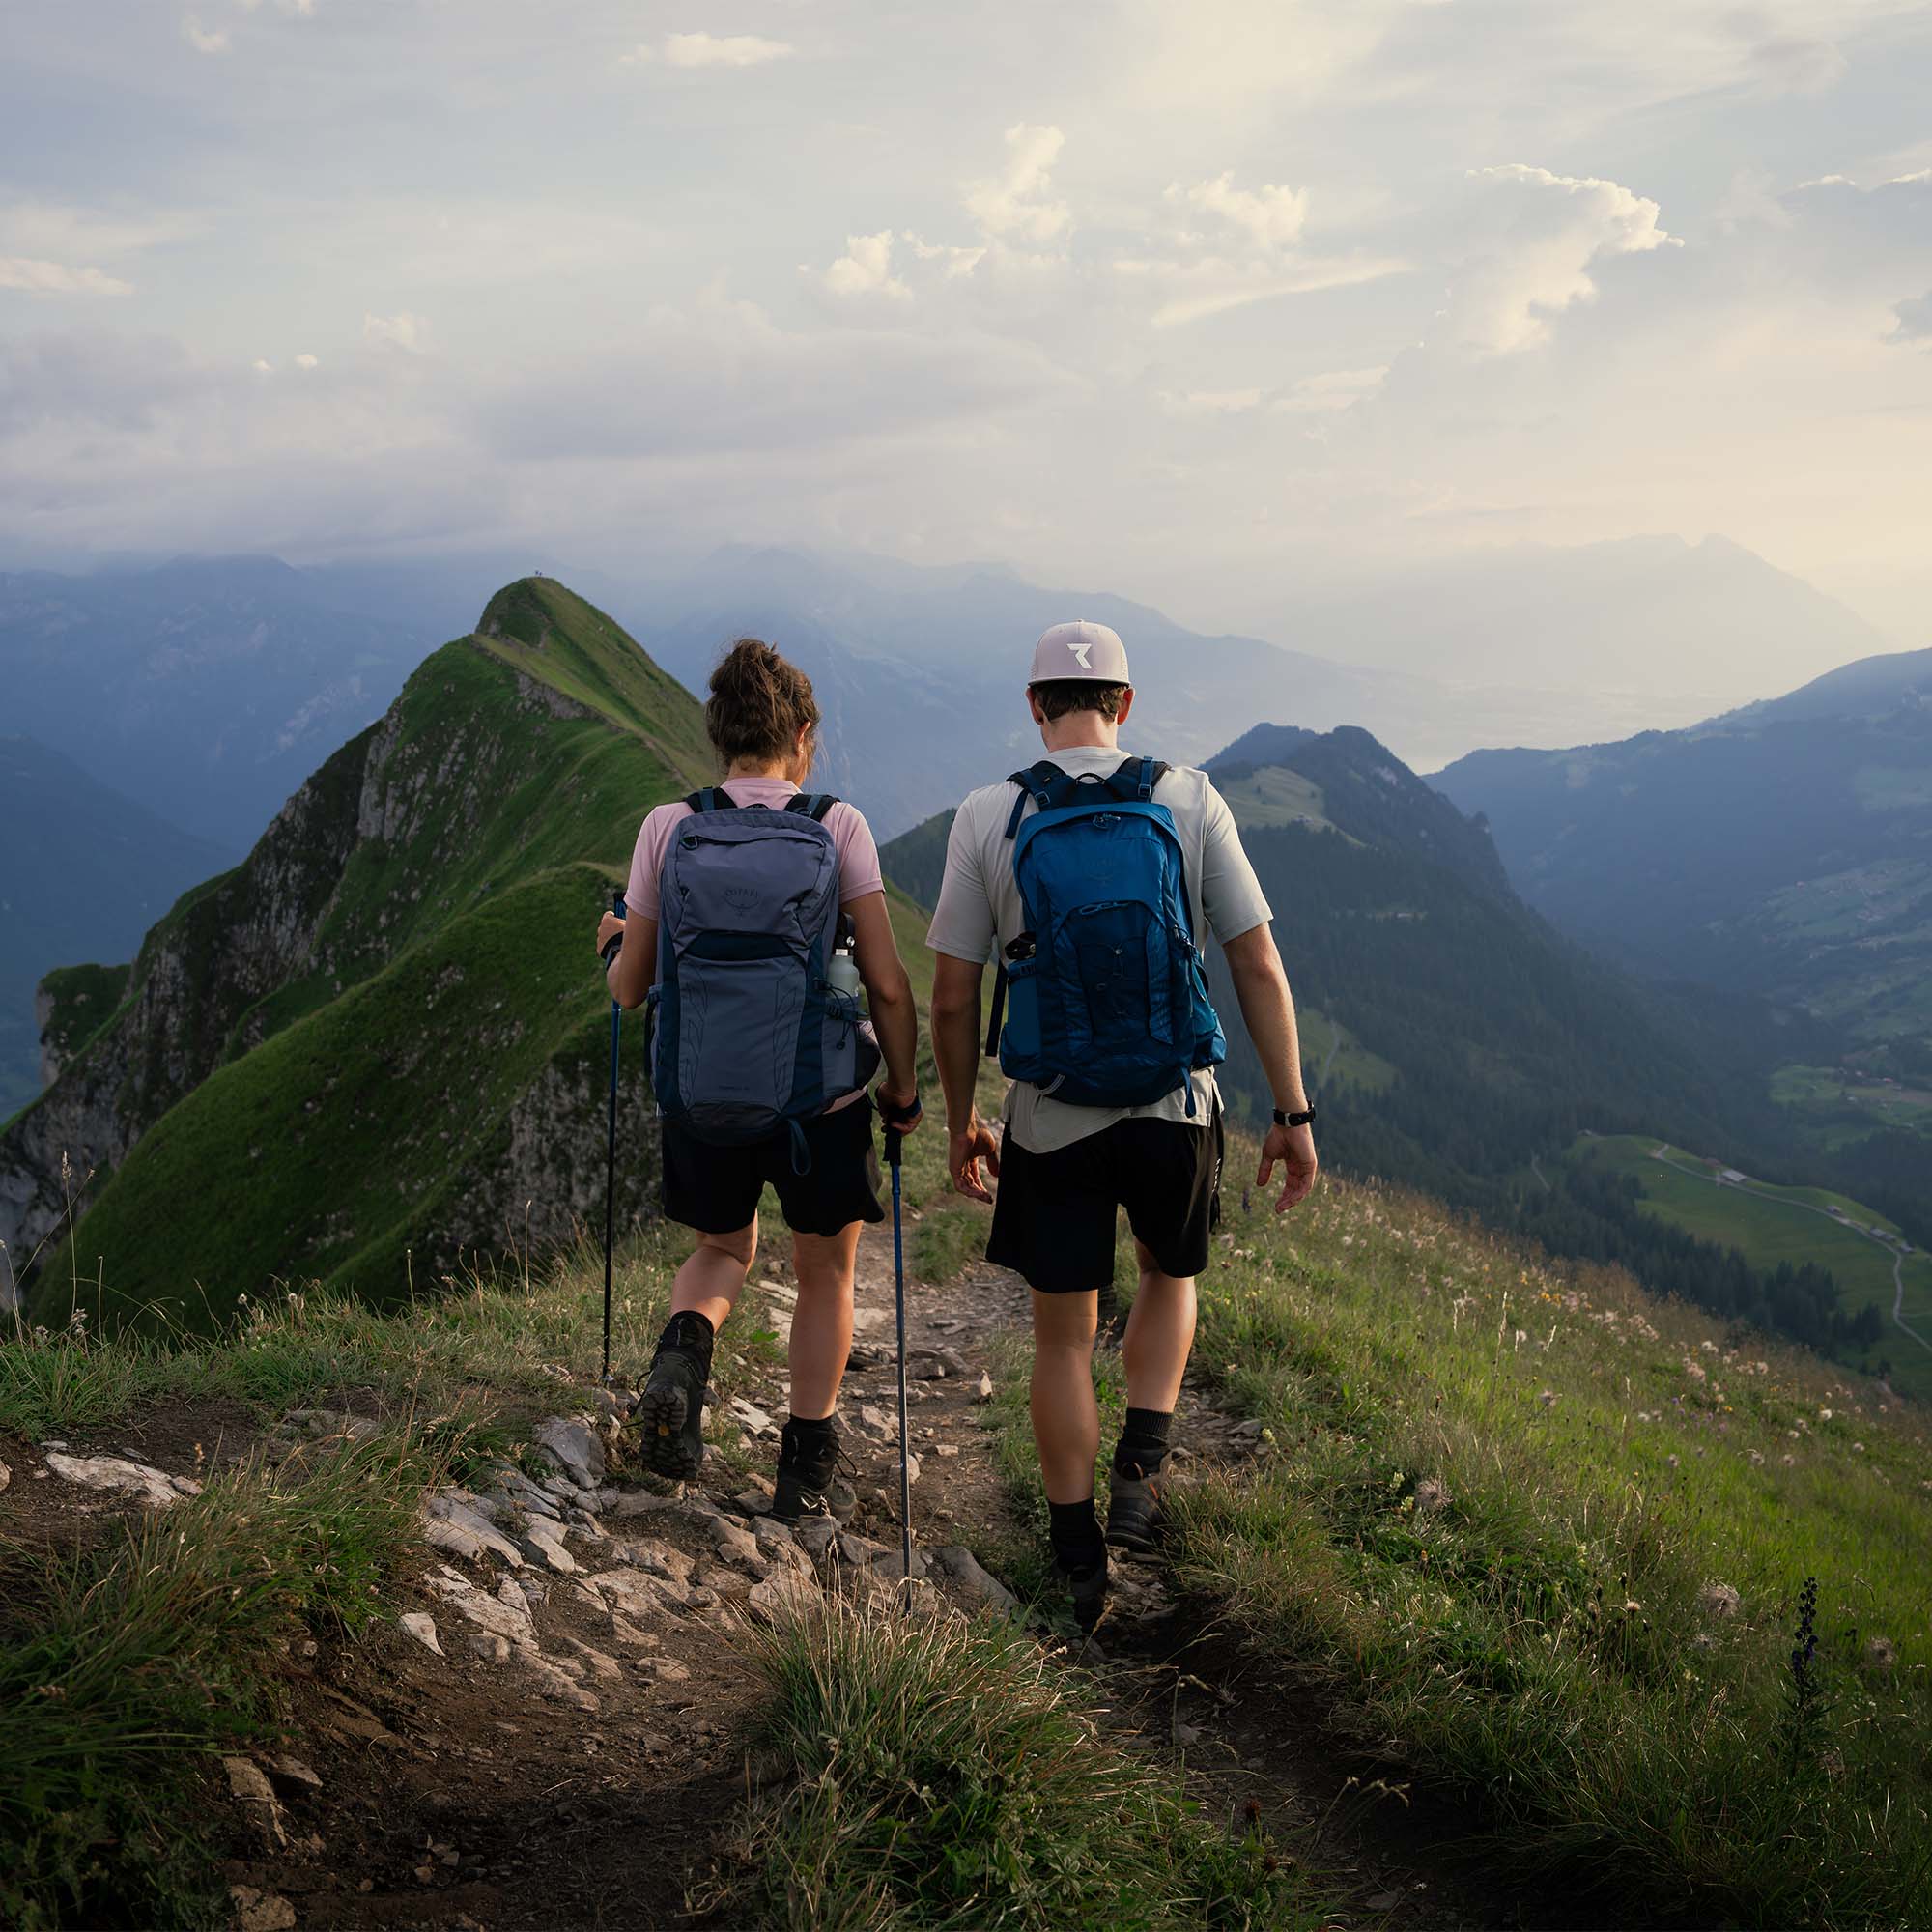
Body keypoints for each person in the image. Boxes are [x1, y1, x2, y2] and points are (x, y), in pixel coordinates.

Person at [925, 620, 1318, 1628]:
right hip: (1172, 1104)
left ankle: (1074, 1554)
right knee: (1166, 1273)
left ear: (1034, 706)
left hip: (1051, 1116)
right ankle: (1141, 1466)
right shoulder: (1187, 797)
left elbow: (954, 997)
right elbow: (1257, 964)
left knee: (1061, 1337)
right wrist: (1290, 1110)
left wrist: (966, 1116)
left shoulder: (988, 813)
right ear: (1125, 704)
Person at [597, 638, 923, 1523]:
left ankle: (683, 1353)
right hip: (820, 1100)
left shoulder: (669, 826)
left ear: (718, 737)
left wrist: (616, 940)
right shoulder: (837, 825)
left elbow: (631, 989)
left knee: (721, 1249)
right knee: (824, 1275)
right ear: (803, 734)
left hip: (704, 1091)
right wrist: (903, 1087)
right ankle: (805, 1470)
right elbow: (888, 983)